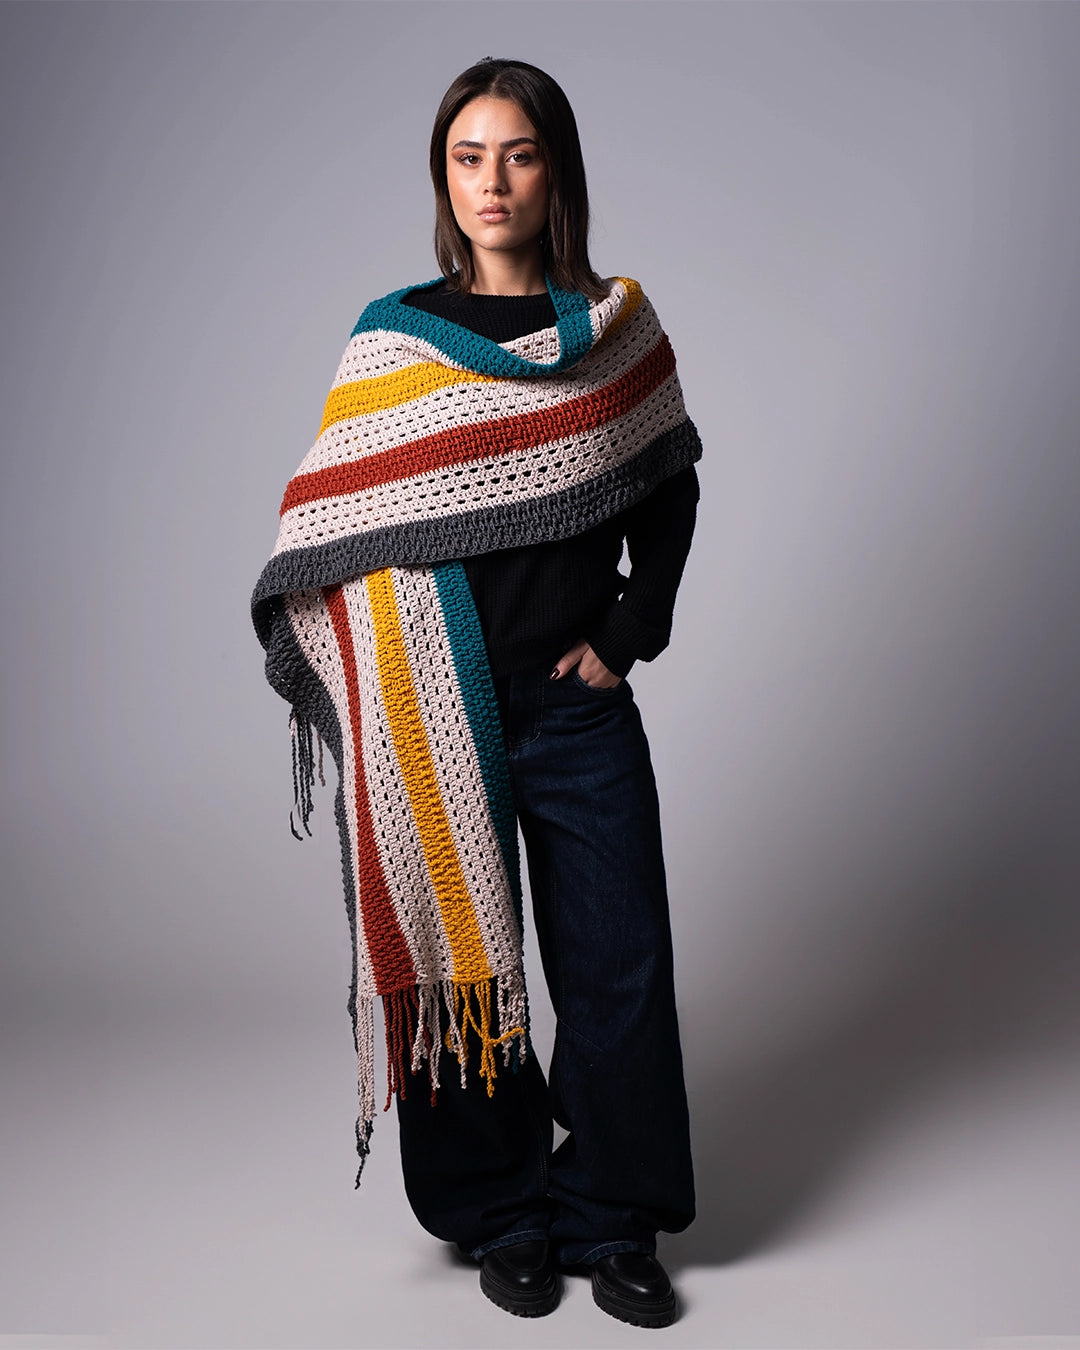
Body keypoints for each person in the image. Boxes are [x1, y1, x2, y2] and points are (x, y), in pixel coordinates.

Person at [252, 57, 701, 1330]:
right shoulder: (395, 338)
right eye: (468, 157)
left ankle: (615, 1218)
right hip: (433, 704)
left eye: (517, 153)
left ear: (554, 169)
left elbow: (671, 486)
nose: (492, 181)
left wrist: (628, 632)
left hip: (573, 704)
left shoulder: (613, 327)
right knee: (460, 959)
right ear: (444, 180)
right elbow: (330, 523)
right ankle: (503, 1215)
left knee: (618, 964)